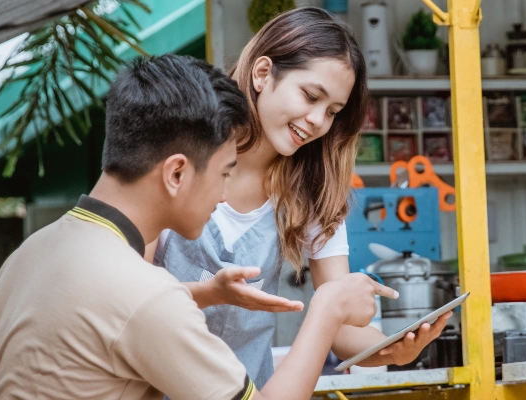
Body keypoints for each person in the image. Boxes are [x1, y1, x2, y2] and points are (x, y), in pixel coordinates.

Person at [0, 54, 395, 400]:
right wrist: (327, 309)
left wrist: (206, 293)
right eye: (225, 172)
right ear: (177, 174)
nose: (225, 195)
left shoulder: (31, 254)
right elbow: (138, 309)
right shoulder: (149, 298)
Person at [148, 7, 451, 388]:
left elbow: (338, 327)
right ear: (262, 74)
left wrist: (396, 349)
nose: (318, 121)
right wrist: (211, 293)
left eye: (332, 112)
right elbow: (129, 299)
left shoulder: (311, 191)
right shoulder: (177, 155)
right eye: (310, 96)